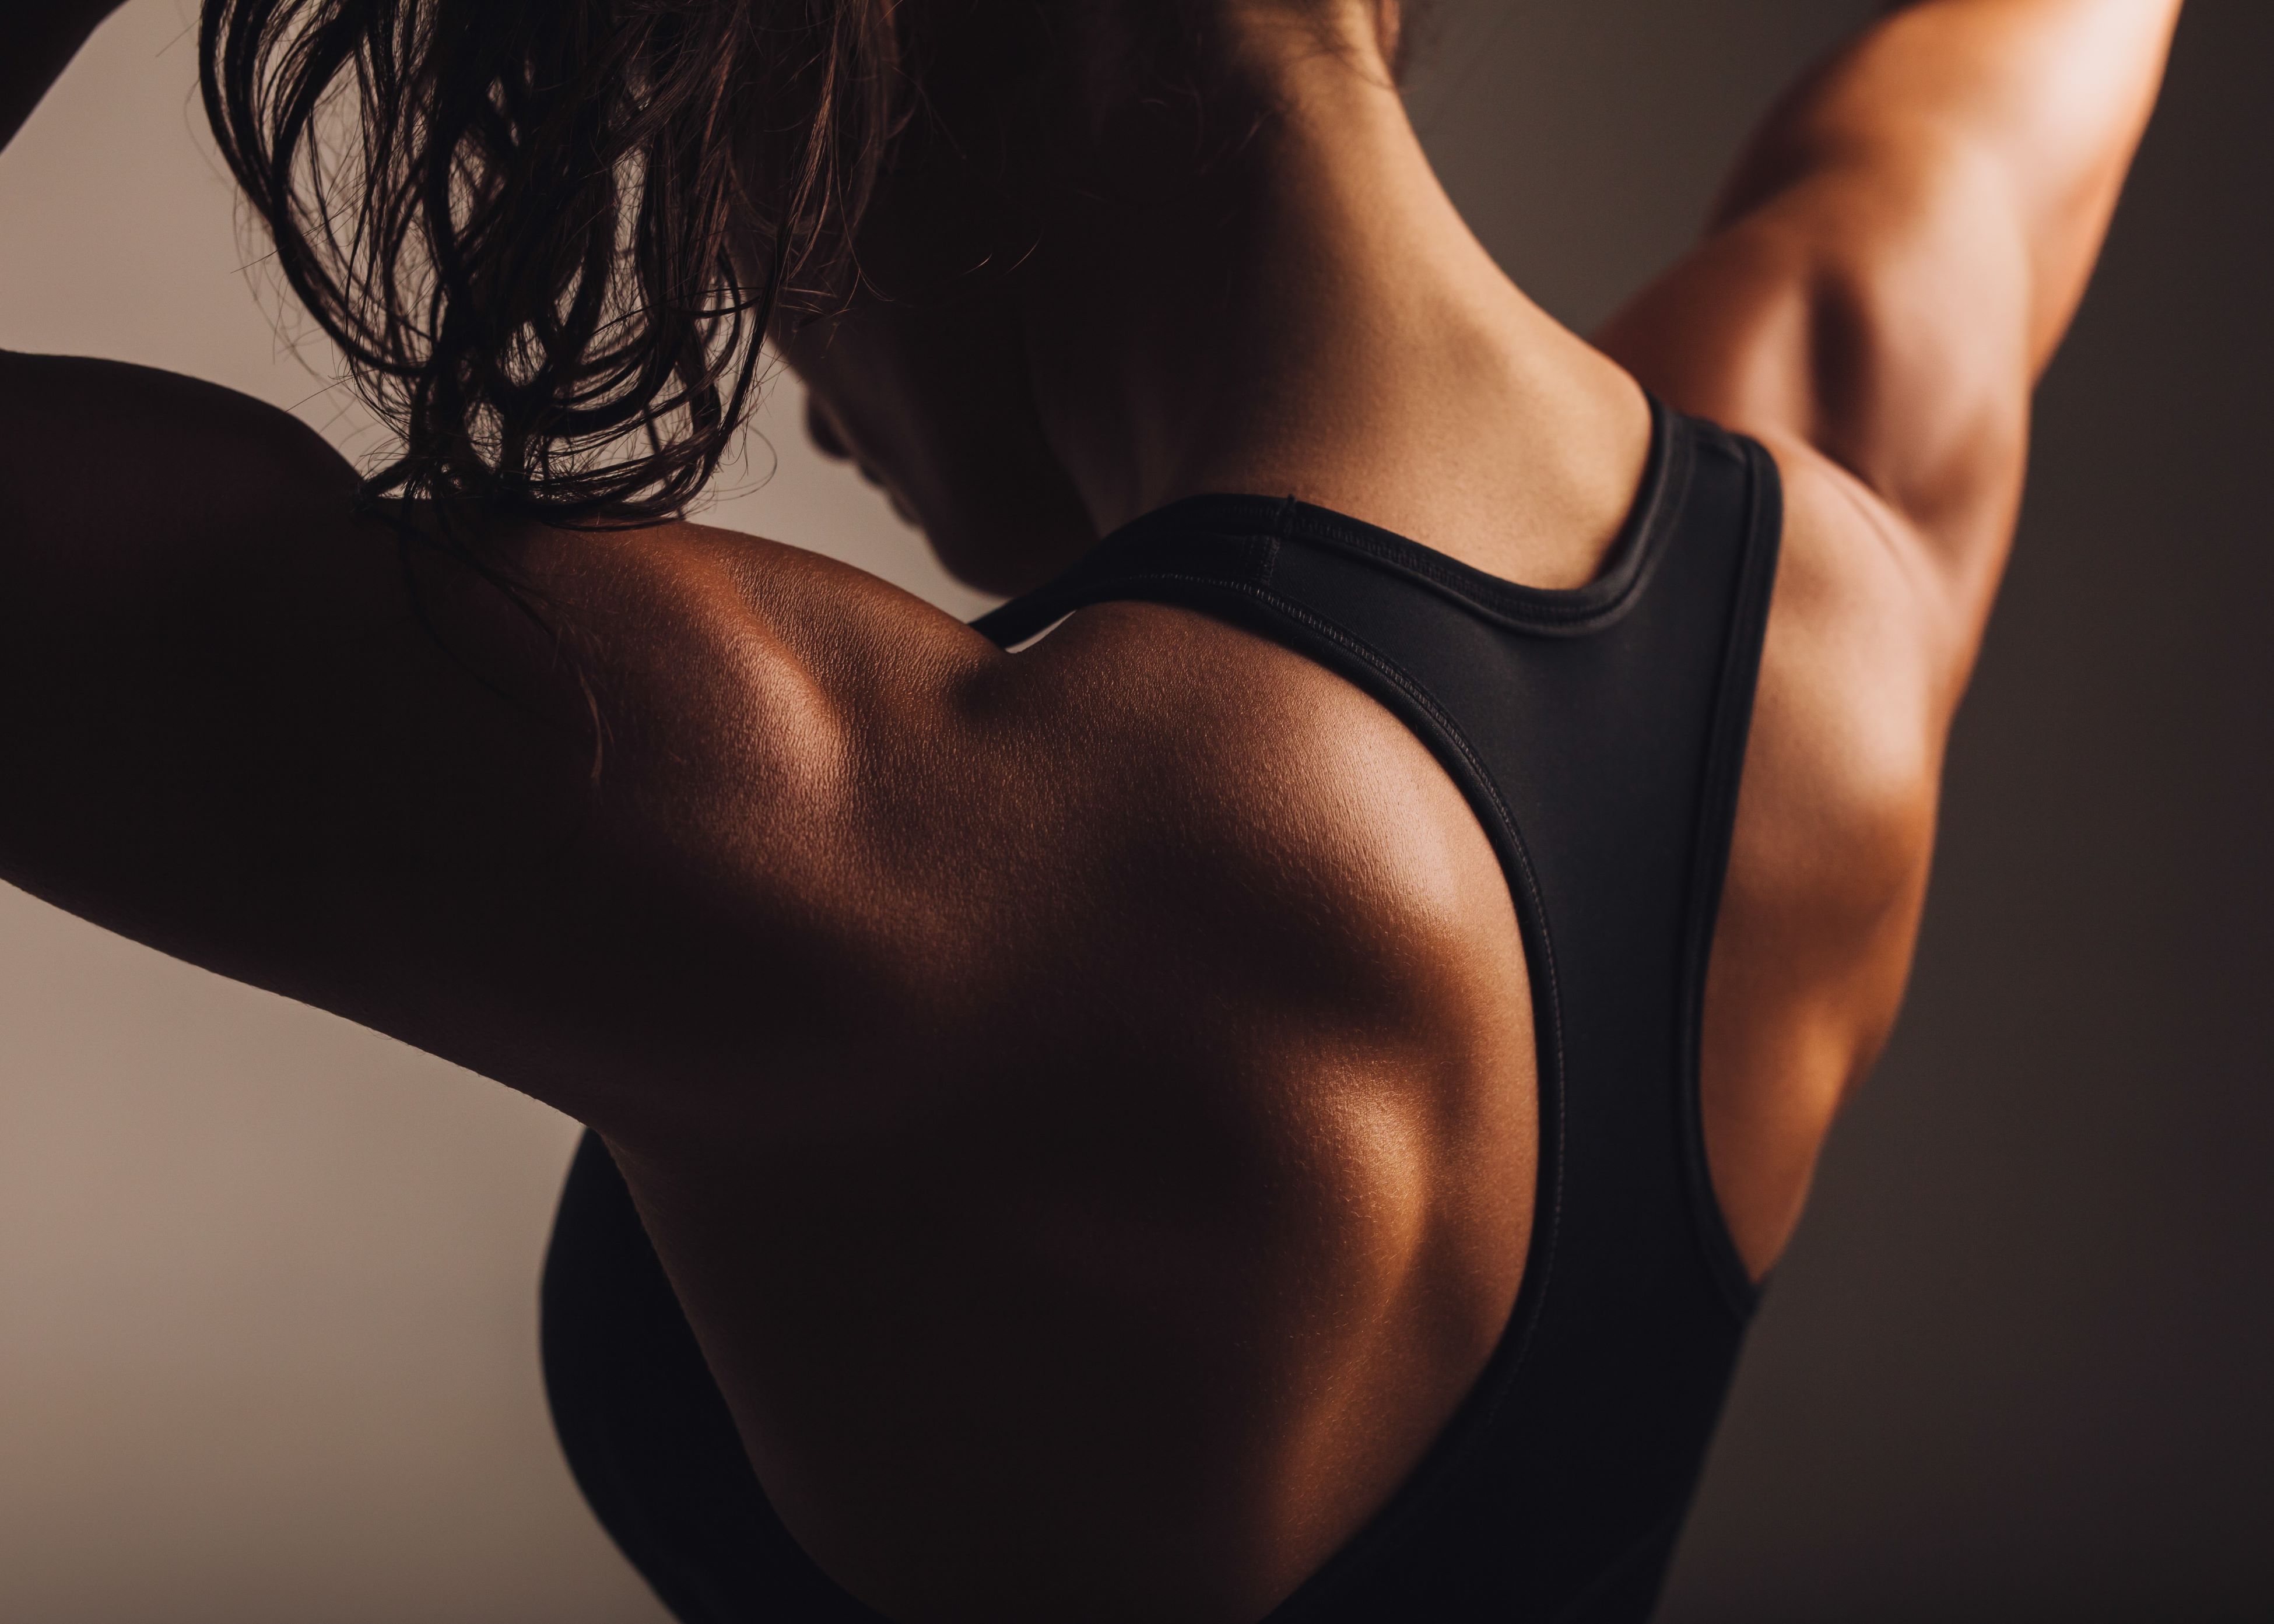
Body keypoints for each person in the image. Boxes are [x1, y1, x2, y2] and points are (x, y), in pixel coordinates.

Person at [0, 0, 2181, 1619]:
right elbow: (1997, 116)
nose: (776, 354)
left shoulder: (844, 832)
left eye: (722, 139)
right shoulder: (1831, 591)